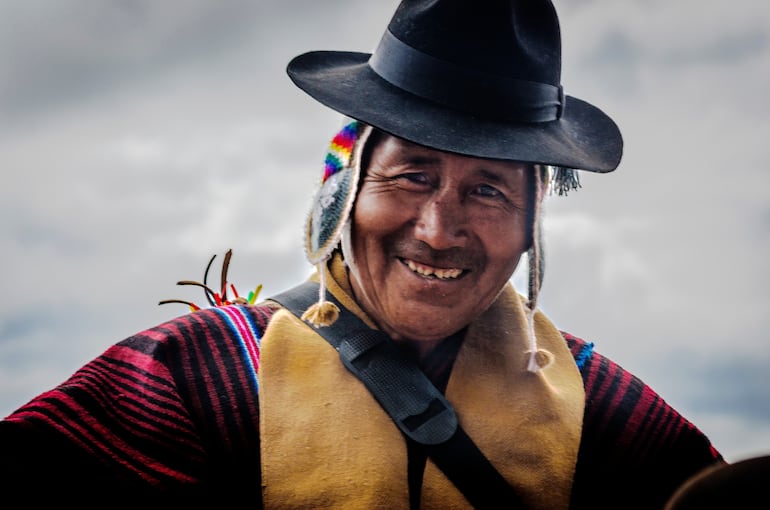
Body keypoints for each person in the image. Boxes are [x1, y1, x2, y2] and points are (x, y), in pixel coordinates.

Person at [0, 0, 724, 508]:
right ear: (343, 188)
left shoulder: (604, 412)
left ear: (535, 222)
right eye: (413, 175)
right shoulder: (193, 382)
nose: (440, 230)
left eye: (489, 191)